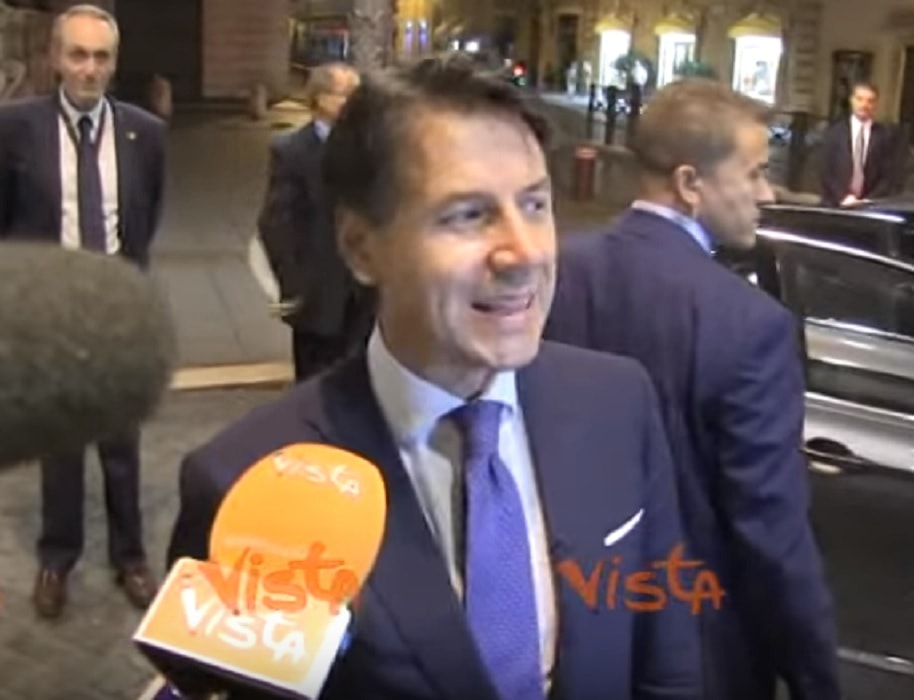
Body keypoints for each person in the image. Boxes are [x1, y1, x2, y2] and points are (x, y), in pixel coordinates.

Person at [168, 55, 700, 699]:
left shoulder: (620, 403)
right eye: (467, 215)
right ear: (361, 247)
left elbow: (667, 662)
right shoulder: (246, 482)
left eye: (535, 204)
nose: (526, 253)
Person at [544, 78, 841, 700]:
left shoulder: (552, 274)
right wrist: (815, 677)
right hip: (696, 647)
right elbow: (770, 531)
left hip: (564, 630)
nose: (767, 194)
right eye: (755, 173)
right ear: (689, 183)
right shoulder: (751, 324)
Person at [0, 4, 165, 618]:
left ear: (113, 64)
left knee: (122, 444)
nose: (89, 69)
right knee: (60, 447)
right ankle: (57, 557)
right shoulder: (15, 128)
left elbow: (146, 217)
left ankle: (131, 557)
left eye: (101, 57)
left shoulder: (145, 133)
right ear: (55, 58)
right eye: (78, 55)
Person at [257, 61, 373, 382]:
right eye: (344, 94)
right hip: (319, 293)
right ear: (320, 98)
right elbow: (277, 222)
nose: (353, 102)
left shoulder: (372, 148)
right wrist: (295, 286)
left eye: (357, 94)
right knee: (316, 382)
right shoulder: (292, 151)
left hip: (367, 291)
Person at [820, 80, 897, 207]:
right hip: (835, 205)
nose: (864, 105)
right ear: (852, 100)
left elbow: (889, 176)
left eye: (870, 101)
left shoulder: (885, 136)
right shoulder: (834, 132)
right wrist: (843, 197)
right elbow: (826, 171)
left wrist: (866, 201)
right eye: (859, 99)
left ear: (876, 104)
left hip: (870, 208)